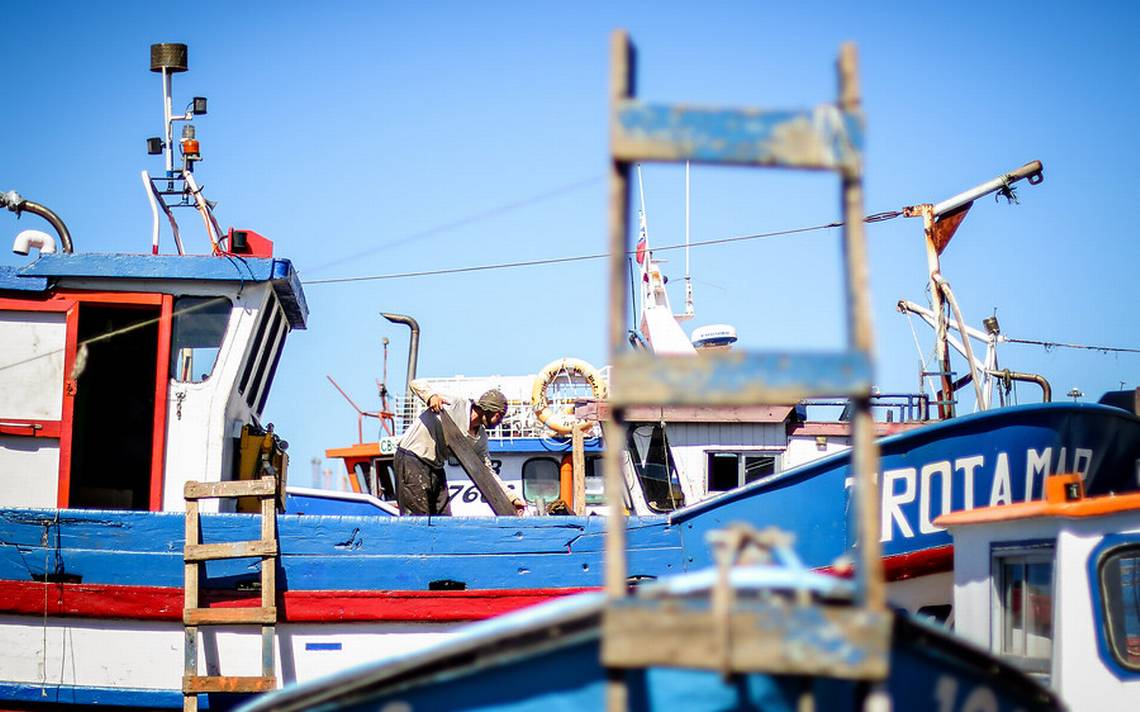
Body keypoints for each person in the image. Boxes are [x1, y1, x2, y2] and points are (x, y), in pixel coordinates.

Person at [394, 380, 526, 515]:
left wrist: (511, 498)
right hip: (411, 458)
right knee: (417, 517)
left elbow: (488, 472)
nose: (500, 421)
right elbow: (415, 383)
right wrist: (431, 397)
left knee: (443, 519)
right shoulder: (456, 405)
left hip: (436, 466)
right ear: (488, 409)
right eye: (500, 415)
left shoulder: (480, 438)